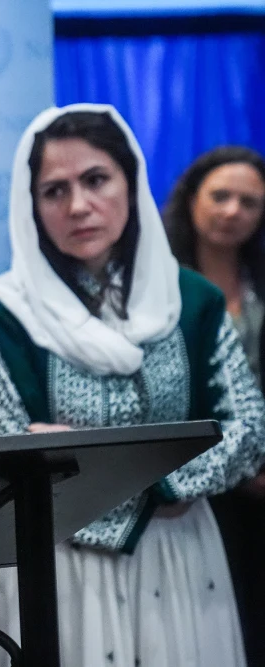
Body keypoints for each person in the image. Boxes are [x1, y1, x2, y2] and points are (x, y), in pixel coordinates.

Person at [0, 104, 265, 667]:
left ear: (131, 181)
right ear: (31, 206)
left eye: (96, 179)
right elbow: (8, 445)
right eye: (53, 190)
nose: (78, 206)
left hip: (176, 556)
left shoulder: (193, 301)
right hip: (50, 558)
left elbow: (247, 430)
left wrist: (147, 479)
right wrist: (160, 457)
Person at [163, 146, 265, 666]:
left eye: (249, 202)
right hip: (186, 486)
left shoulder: (258, 286)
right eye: (220, 196)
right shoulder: (157, 286)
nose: (232, 211)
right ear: (191, 200)